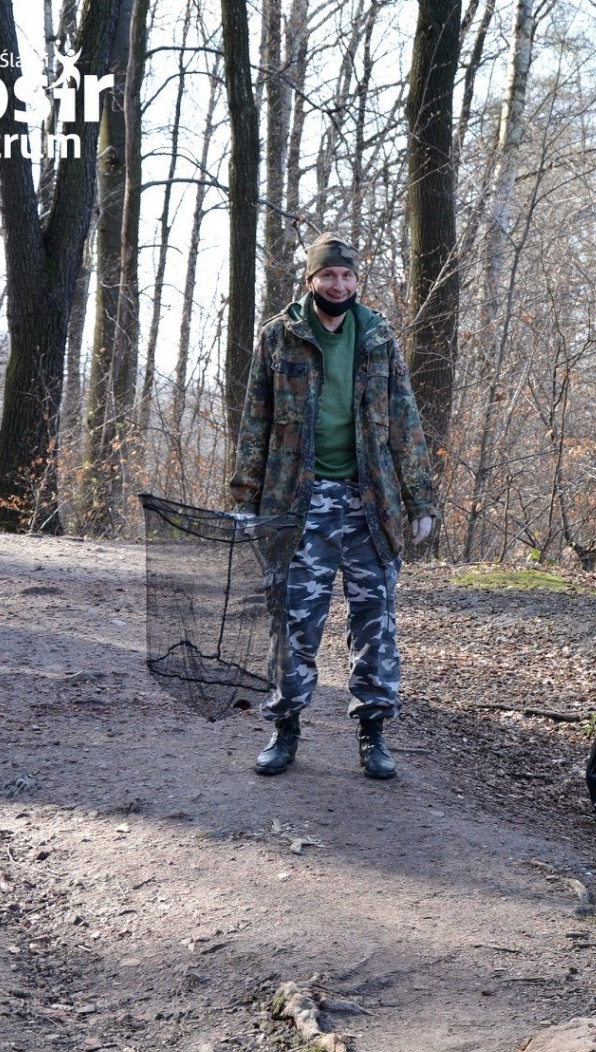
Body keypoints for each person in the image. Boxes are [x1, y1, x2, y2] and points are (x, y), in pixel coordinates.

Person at [229, 233, 437, 780]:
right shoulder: (280, 337)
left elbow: (405, 420)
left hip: (373, 501)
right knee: (295, 617)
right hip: (300, 499)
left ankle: (373, 734)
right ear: (311, 280)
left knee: (376, 621)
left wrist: (420, 498)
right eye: (328, 276)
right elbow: (255, 421)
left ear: (355, 282)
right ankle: (285, 727)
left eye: (347, 277)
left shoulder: (377, 336)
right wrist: (246, 498)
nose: (338, 285)